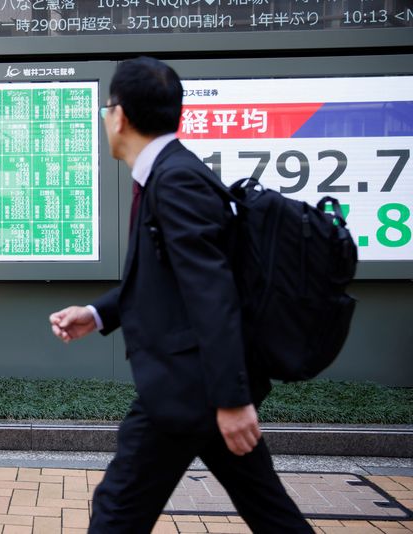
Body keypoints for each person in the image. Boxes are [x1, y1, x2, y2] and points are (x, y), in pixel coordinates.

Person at [49, 57, 313, 532]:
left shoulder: (176, 180)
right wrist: (98, 313)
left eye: (107, 109)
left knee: (116, 510)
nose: (106, 119)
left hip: (185, 389)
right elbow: (166, 279)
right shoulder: (169, 173)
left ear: (121, 115)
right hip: (202, 388)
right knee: (271, 512)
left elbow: (213, 290)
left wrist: (232, 400)